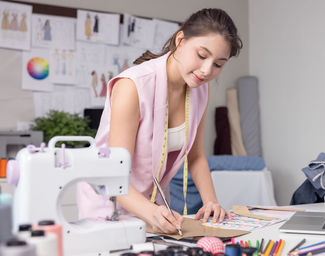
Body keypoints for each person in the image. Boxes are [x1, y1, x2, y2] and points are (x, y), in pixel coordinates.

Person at [77, 8, 242, 234]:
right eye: (202, 56)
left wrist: (211, 201)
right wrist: (151, 211)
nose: (206, 71)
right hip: (109, 203)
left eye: (218, 64)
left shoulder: (199, 91)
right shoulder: (132, 86)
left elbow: (196, 156)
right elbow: (114, 174)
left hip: (152, 206)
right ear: (181, 40)